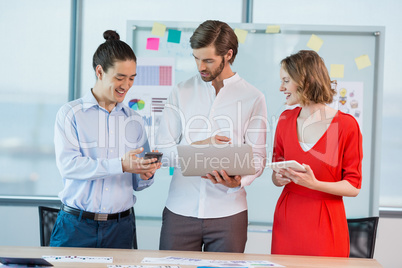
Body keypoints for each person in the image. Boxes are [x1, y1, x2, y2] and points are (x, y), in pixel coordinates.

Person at [155, 20, 267, 252]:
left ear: (228, 55)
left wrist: (239, 182)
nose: (200, 66)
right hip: (180, 210)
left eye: (208, 60)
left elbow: (257, 157)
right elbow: (162, 153)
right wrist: (199, 147)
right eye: (196, 58)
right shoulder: (180, 91)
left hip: (229, 212)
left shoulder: (253, 97)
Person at [51, 30, 161, 249]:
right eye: (119, 77)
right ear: (99, 72)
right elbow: (69, 166)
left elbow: (138, 183)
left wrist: (146, 173)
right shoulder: (71, 114)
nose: (126, 85)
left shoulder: (135, 120)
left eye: (131, 78)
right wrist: (121, 164)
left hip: (121, 228)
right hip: (76, 227)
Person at [271, 50, 363, 257]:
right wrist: (278, 177)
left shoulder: (346, 125)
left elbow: (354, 186)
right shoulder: (285, 119)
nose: (281, 88)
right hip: (287, 219)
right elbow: (276, 172)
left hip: (326, 220)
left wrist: (315, 185)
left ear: (307, 81)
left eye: (286, 80)